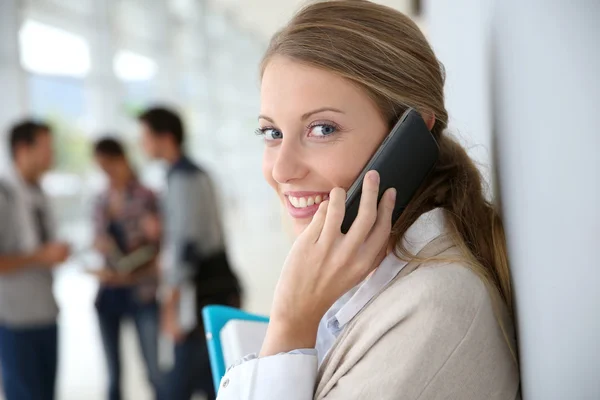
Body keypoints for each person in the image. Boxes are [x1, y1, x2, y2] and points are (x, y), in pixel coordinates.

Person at [217, 1, 520, 399]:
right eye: (271, 133)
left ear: (408, 138)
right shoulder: (355, 270)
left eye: (322, 128)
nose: (282, 170)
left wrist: (290, 326)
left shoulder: (431, 310)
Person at [138, 107, 240, 400]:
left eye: (145, 137)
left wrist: (170, 304)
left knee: (178, 385)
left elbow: (188, 247)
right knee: (211, 379)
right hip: (212, 287)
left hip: (199, 294)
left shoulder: (184, 179)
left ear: (165, 137)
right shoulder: (190, 175)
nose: (141, 144)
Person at [0, 120, 70, 400]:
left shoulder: (38, 193)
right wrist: (40, 256)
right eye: (46, 148)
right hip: (15, 319)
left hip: (45, 311)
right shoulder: (4, 195)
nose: (51, 155)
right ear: (22, 149)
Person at [91, 137, 164, 400]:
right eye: (100, 167)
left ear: (122, 160)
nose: (106, 173)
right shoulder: (100, 199)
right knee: (113, 375)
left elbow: (158, 245)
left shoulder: (147, 196)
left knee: (154, 370)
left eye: (109, 165)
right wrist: (100, 246)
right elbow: (98, 239)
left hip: (141, 291)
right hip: (109, 291)